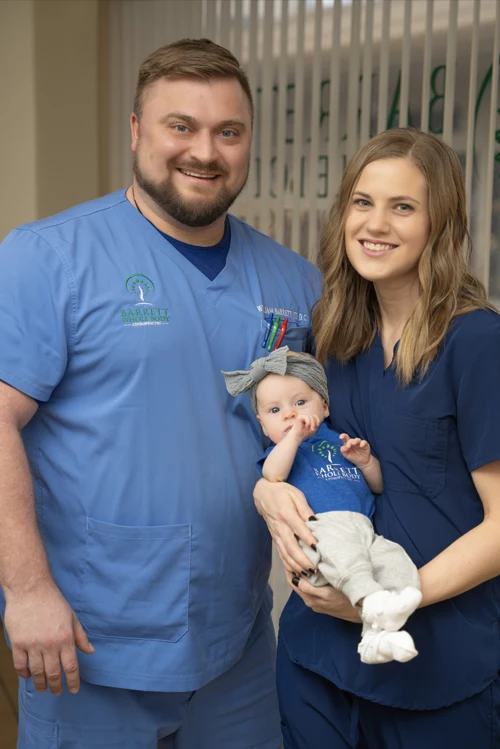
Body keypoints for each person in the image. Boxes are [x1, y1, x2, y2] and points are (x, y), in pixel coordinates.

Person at [0, 39, 321, 748]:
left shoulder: (295, 282)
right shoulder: (47, 257)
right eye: (182, 126)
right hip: (86, 642)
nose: (205, 151)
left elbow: (317, 428)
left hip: (235, 642)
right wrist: (26, 591)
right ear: (138, 130)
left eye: (227, 131)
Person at [254, 128, 500, 748]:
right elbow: (299, 458)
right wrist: (268, 496)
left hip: (438, 665)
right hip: (318, 659)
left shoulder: (476, 343)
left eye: (403, 206)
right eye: (363, 202)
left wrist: (393, 601)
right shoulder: (331, 339)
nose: (376, 224)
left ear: (438, 224)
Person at [223, 346, 422, 666]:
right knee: (350, 559)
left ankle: (377, 637)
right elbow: (272, 475)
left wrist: (366, 461)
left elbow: (378, 485)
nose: (289, 414)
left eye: (300, 403)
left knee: (395, 563)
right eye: (275, 411)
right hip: (322, 532)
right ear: (262, 425)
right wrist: (293, 438)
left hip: (364, 529)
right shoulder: (281, 451)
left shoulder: (337, 439)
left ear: (324, 406)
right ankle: (371, 602)